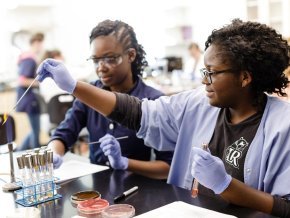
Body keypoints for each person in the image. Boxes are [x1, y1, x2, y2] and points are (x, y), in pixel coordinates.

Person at [37, 19, 290, 217]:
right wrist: (74, 87)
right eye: (204, 71)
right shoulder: (197, 103)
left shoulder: (283, 125)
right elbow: (140, 112)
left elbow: (285, 207)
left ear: (245, 77)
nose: (204, 80)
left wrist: (225, 184)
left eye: (212, 72)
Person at [44, 20, 173, 179]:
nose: (101, 67)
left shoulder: (153, 101)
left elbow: (167, 167)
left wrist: (125, 163)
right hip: (96, 192)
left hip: (138, 190)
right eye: (96, 60)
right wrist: (53, 154)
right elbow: (63, 135)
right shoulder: (90, 94)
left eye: (110, 58)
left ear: (131, 55)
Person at [16, 32, 45, 151]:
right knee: (35, 131)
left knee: (35, 130)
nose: (42, 47)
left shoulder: (30, 58)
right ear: (36, 43)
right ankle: (36, 161)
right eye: (41, 44)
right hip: (29, 99)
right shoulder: (29, 59)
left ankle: (18, 153)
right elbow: (22, 80)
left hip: (30, 98)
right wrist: (41, 82)